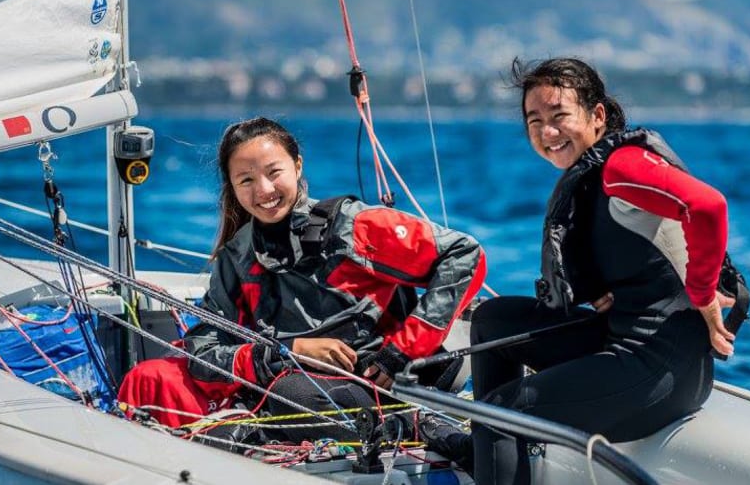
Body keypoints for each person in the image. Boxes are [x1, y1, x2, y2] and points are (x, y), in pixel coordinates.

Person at [118, 116, 486, 451]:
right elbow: (202, 346)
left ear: (297, 165)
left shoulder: (353, 226)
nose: (263, 190)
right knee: (149, 377)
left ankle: (411, 425)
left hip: (382, 382)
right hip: (293, 381)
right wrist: (289, 350)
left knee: (290, 393)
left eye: (273, 172)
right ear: (232, 186)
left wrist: (401, 352)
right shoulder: (237, 257)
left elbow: (465, 256)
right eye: (246, 180)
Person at [467, 57, 749, 485]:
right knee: (492, 321)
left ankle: (499, 445)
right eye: (535, 120)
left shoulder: (622, 166)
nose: (547, 132)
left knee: (499, 411)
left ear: (597, 116)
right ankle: (495, 463)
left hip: (657, 373)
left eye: (560, 116)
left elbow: (708, 206)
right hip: (622, 339)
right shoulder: (596, 172)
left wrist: (702, 292)